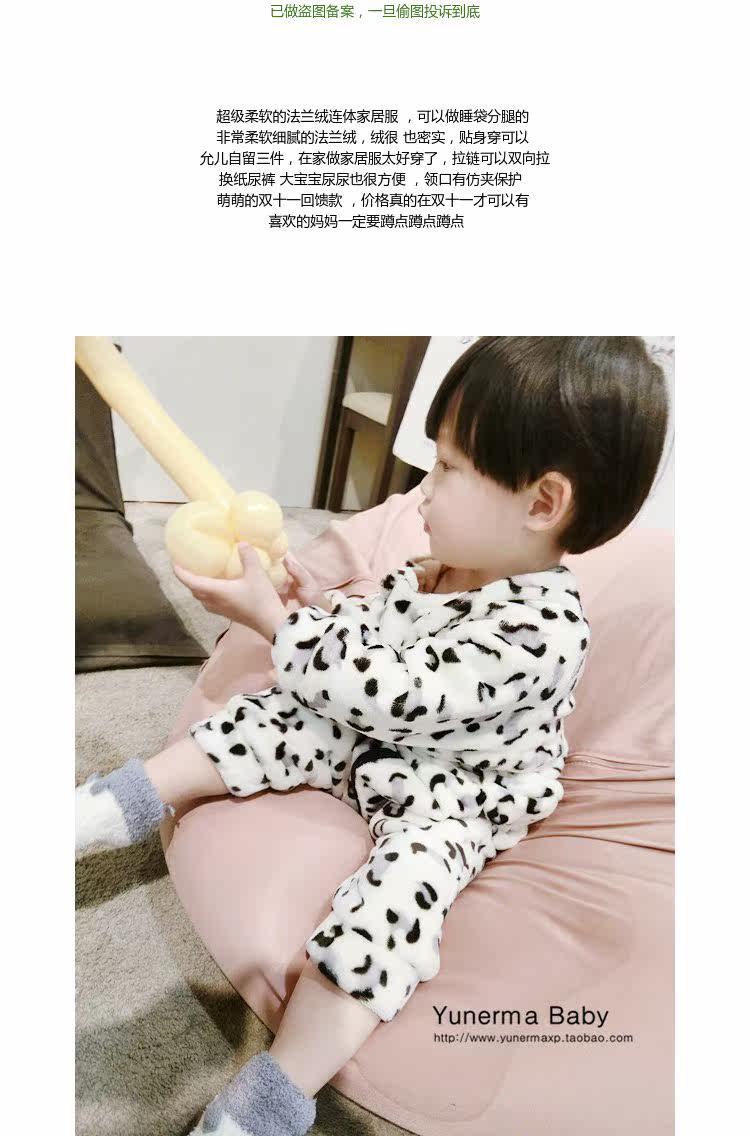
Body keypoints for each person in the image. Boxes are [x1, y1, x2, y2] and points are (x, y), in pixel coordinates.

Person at [75, 336, 669, 1136]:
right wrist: (309, 609)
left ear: (541, 504)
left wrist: (278, 627)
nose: (420, 496)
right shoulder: (439, 567)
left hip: (458, 792)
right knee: (268, 718)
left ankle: (273, 1094)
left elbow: (400, 692)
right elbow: (372, 647)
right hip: (379, 739)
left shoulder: (545, 631)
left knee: (395, 909)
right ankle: (112, 806)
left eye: (447, 471)